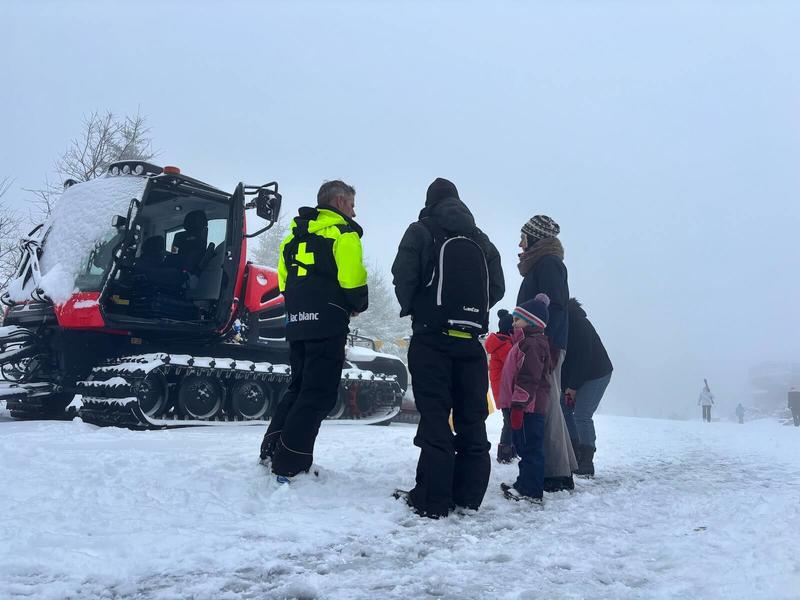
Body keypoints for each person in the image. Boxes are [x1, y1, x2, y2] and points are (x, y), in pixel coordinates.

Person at [391, 177, 504, 519]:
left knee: (436, 418)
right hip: (471, 344)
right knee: (473, 420)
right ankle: (468, 497)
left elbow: (403, 275)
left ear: (430, 202)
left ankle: (432, 499)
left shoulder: (421, 230)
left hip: (431, 340)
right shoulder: (480, 239)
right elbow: (496, 288)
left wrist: (418, 307)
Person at [260, 180, 368, 482]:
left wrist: (302, 309)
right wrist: (357, 304)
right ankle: (290, 465)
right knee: (318, 394)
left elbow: (284, 282)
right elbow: (352, 280)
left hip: (297, 323)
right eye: (352, 205)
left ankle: (270, 452)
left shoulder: (293, 237)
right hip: (328, 324)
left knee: (298, 388)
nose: (354, 212)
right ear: (339, 202)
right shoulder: (343, 234)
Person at [516, 215, 576, 492]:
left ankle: (556, 474)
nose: (520, 243)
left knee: (546, 405)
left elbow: (554, 306)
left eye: (524, 238)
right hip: (544, 343)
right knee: (548, 404)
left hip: (545, 345)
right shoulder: (544, 263)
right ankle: (561, 468)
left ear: (536, 238)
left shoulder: (549, 263)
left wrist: (542, 343)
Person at [497, 294, 553, 504]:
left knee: (530, 448)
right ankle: (524, 484)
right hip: (524, 406)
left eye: (517, 319)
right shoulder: (525, 343)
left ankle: (531, 491)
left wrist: (519, 404)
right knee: (524, 446)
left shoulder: (532, 344)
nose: (513, 323)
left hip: (528, 407)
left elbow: (529, 377)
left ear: (531, 322)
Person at [561, 298, 613, 477]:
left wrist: (572, 387)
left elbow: (582, 360)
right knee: (564, 409)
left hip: (597, 374)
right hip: (579, 374)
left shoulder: (579, 325)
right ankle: (575, 453)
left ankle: (586, 462)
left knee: (582, 415)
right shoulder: (562, 325)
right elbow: (565, 362)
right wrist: (565, 388)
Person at [485, 309, 515, 463]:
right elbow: (515, 366)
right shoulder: (504, 345)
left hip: (503, 390)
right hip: (506, 391)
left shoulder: (501, 342)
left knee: (510, 421)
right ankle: (504, 454)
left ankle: (510, 451)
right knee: (510, 423)